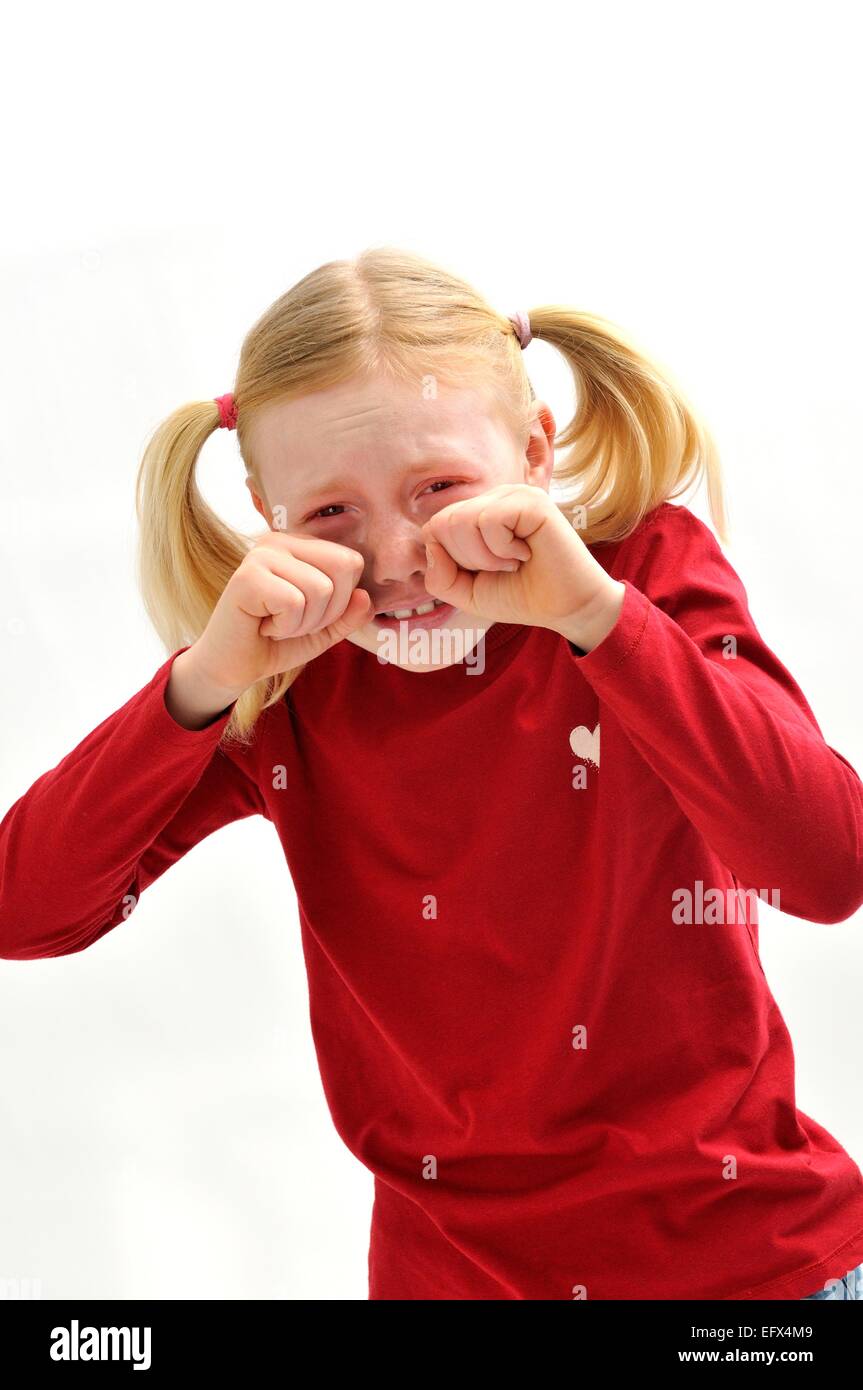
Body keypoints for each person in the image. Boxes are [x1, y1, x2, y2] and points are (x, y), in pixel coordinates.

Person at [2, 246, 862, 1301]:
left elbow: (823, 869)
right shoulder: (284, 684)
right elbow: (23, 909)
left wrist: (598, 621)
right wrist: (204, 678)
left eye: (437, 488)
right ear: (267, 512)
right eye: (331, 515)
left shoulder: (640, 577)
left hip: (747, 1279)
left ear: (534, 450)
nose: (399, 554)